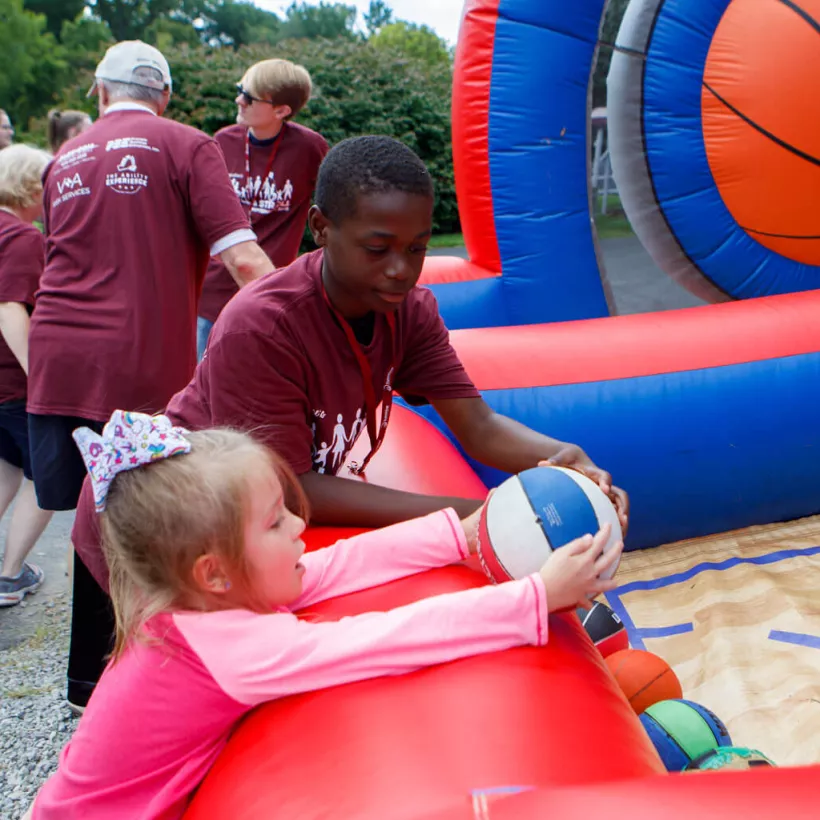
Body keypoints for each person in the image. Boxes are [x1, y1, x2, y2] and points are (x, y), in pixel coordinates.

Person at [28, 410, 622, 819]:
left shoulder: (202, 598)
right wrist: (536, 598)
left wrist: (458, 536)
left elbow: (338, 563)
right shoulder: (226, 647)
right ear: (213, 570)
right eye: (275, 521)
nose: (300, 527)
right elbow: (383, 639)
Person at [28, 40, 274, 711]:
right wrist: (303, 318)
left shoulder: (62, 161)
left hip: (57, 357)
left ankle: (90, 685)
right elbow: (246, 260)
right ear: (162, 94)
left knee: (94, 519)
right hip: (134, 359)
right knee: (142, 517)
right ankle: (139, 687)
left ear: (100, 95)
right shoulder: (187, 144)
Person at [197, 59, 328, 359]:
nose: (238, 100)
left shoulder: (309, 148)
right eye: (240, 90)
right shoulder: (223, 141)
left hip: (267, 293)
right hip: (212, 294)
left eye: (249, 97)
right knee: (204, 388)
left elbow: (335, 207)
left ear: (281, 111)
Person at [0, 145, 54, 606]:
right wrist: (40, 377)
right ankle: (10, 576)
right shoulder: (21, 237)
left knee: (5, 472)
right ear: (31, 188)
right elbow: (9, 310)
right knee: (46, 481)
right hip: (13, 384)